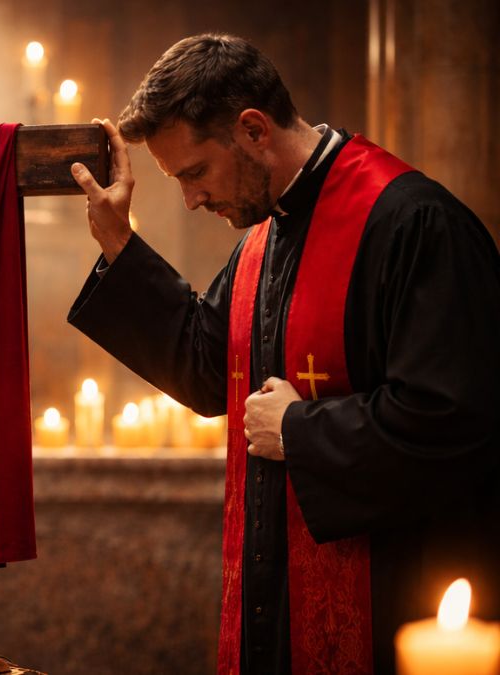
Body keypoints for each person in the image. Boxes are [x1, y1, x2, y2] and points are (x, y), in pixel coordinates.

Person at [67, 33, 500, 675]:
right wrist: (118, 244)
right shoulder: (265, 237)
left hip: (397, 603)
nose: (190, 199)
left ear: (253, 130)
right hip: (275, 606)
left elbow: (459, 419)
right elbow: (207, 368)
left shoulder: (413, 223)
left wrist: (300, 431)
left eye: (194, 173)